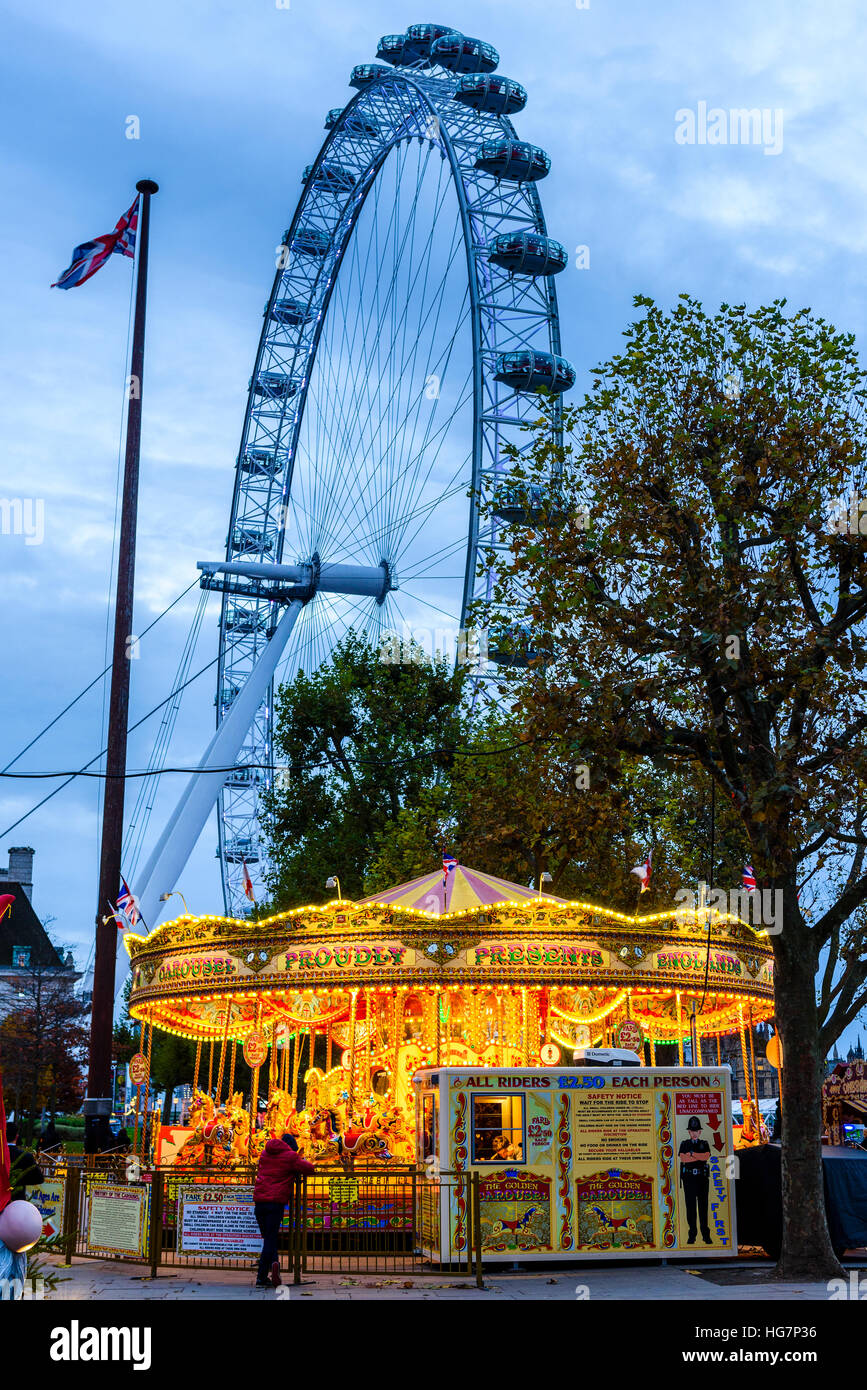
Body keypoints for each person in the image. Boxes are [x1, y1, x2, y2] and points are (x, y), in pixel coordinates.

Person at [252, 1132, 314, 1288]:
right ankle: (261, 1276)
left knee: (268, 1238)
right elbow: (309, 1168)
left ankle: (274, 1267)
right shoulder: (290, 1157)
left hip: (259, 1202)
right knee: (270, 1239)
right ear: (291, 1146)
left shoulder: (265, 1153)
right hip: (275, 1203)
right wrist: (302, 1160)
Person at [678, 1115, 712, 1245]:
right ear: (689, 1132)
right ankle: (692, 1234)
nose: (694, 1133)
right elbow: (683, 1159)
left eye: (696, 1131)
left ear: (700, 1132)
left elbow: (706, 1156)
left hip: (702, 1179)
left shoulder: (704, 1144)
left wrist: (692, 1154)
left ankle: (705, 1235)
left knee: (703, 1207)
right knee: (691, 1208)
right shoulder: (684, 1144)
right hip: (689, 1179)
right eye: (692, 1131)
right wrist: (698, 1157)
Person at [5, 1122, 44, 1201]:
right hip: (17, 1199)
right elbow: (39, 1178)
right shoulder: (26, 1156)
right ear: (17, 1137)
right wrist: (20, 1181)